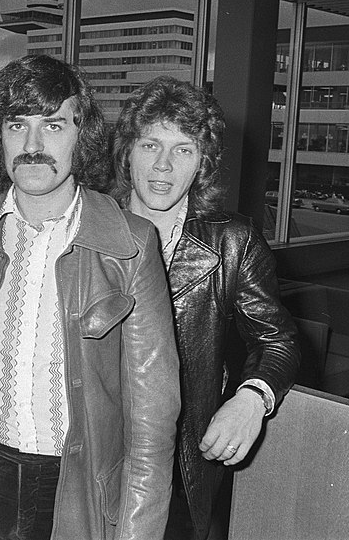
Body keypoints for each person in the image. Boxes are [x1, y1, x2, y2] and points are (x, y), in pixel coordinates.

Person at [0, 54, 180, 540]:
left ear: (83, 135)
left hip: (76, 485)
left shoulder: (130, 244)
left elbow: (151, 423)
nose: (33, 145)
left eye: (55, 125)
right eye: (18, 125)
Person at [110, 77, 300, 540]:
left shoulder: (232, 241)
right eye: (151, 144)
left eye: (183, 150)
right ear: (127, 153)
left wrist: (252, 398)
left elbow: (278, 340)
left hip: (178, 461)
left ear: (202, 165)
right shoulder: (87, 225)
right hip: (88, 447)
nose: (162, 165)